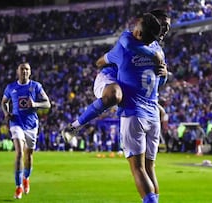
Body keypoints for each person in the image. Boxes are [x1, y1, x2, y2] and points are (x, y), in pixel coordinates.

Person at [64, 9, 171, 137]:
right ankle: (74, 127)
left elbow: (158, 82)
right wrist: (154, 55)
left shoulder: (158, 50)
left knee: (160, 113)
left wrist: (164, 75)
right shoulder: (128, 39)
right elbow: (103, 60)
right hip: (112, 78)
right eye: (163, 24)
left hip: (132, 88)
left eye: (168, 26)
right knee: (114, 94)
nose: (166, 29)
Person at [97, 13, 166, 203]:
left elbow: (102, 61)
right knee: (150, 168)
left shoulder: (126, 46)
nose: (133, 27)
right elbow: (162, 80)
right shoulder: (158, 51)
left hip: (134, 113)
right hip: (153, 114)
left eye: (137, 26)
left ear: (139, 32)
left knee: (138, 169)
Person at [1, 63, 51, 199]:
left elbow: (47, 103)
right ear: (18, 71)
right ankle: (18, 187)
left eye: (27, 69)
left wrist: (35, 104)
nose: (24, 71)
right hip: (16, 123)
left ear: (30, 72)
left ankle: (26, 178)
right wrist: (7, 112)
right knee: (19, 153)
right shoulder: (11, 87)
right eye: (22, 69)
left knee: (28, 155)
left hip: (32, 125)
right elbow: (4, 101)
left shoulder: (36, 86)